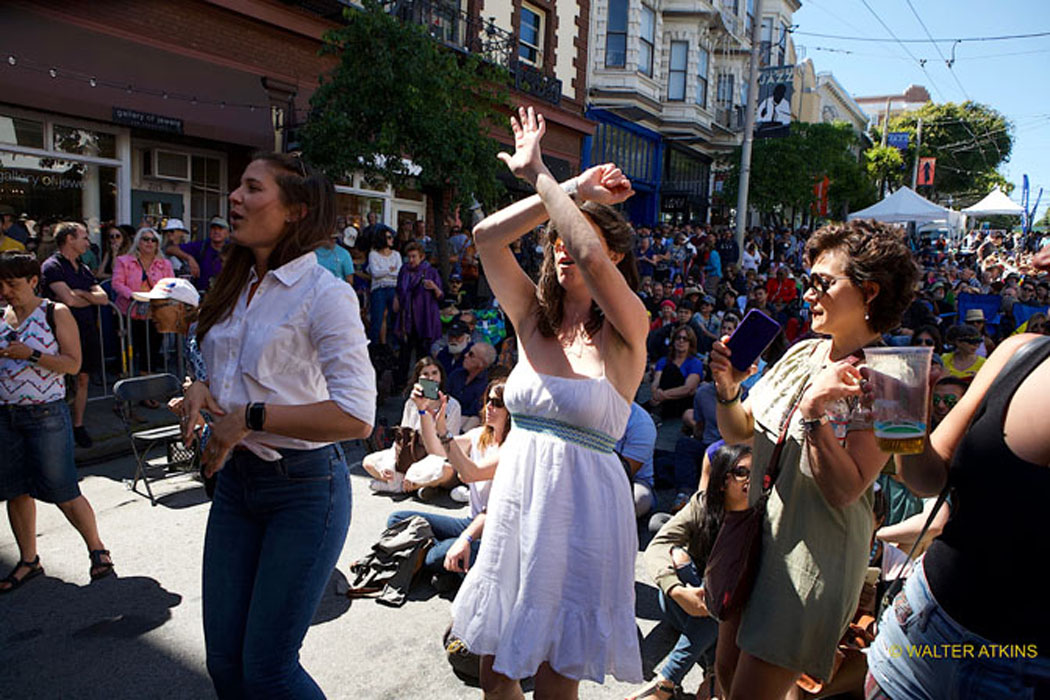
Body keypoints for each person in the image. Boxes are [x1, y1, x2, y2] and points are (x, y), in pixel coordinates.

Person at [450, 106, 648, 696]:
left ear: (614, 257)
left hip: (583, 516)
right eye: (555, 239)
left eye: (576, 239)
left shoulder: (628, 330)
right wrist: (570, 186)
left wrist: (538, 170)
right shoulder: (531, 321)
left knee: (554, 680)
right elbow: (486, 237)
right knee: (495, 675)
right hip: (518, 507)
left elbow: (590, 253)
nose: (565, 249)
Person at [175, 152, 375, 698]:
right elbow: (209, 357)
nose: (234, 197)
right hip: (236, 487)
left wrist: (248, 418)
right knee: (224, 666)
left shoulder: (325, 294)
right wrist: (198, 389)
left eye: (251, 187)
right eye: (237, 186)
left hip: (305, 490)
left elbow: (357, 416)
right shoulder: (235, 284)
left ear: (295, 211)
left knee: (267, 671)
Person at [710, 219, 917, 698]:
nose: (808, 294)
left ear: (869, 291)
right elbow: (740, 430)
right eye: (809, 281)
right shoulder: (804, 352)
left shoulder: (897, 380)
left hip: (811, 562)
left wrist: (813, 411)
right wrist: (726, 392)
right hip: (755, 545)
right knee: (724, 674)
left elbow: (846, 489)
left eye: (822, 283)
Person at [866, 328, 1050, 698]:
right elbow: (925, 479)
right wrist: (906, 414)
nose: (1038, 264)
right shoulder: (1020, 352)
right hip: (919, 641)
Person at [0, 252, 114, 593]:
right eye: (1, 284)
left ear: (34, 281)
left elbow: (73, 364)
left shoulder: (55, 312)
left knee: (63, 489)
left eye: (13, 283)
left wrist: (32, 355)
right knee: (16, 492)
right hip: (6, 415)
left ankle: (97, 550)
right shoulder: (1, 316)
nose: (6, 291)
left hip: (45, 414)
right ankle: (29, 560)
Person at [626, 444, 754, 700]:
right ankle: (710, 673)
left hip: (731, 612)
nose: (750, 479)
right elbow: (658, 546)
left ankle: (667, 682)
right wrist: (676, 588)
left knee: (718, 602)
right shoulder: (703, 506)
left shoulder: (763, 516)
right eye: (742, 472)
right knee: (679, 558)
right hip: (685, 604)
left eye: (754, 471)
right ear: (721, 482)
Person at [386, 377, 509, 589]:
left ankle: (437, 562)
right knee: (396, 519)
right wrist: (424, 412)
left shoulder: (513, 447)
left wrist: (464, 540)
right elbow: (436, 449)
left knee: (438, 554)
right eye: (487, 400)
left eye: (497, 403)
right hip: (470, 522)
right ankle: (446, 569)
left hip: (493, 532)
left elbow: (471, 474)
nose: (489, 407)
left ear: (511, 411)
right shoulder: (479, 435)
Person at [40, 222, 110, 447]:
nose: (87, 242)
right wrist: (84, 296)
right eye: (83, 237)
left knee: (83, 377)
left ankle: (78, 425)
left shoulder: (84, 267)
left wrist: (81, 293)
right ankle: (54, 426)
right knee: (58, 377)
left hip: (86, 329)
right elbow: (68, 300)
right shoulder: (52, 266)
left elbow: (103, 298)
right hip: (60, 332)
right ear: (69, 239)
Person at [363, 356, 462, 493]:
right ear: (418, 379)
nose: (431, 378)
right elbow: (403, 438)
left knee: (444, 470)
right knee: (369, 461)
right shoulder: (411, 403)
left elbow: (450, 446)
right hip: (411, 454)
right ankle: (415, 485)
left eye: (434, 373)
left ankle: (398, 485)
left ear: (441, 377)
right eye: (425, 374)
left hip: (436, 457)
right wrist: (388, 465)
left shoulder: (452, 405)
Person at [112, 227, 174, 376]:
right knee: (127, 352)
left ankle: (148, 391)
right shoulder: (124, 261)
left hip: (154, 314)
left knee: (151, 352)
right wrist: (133, 295)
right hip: (129, 313)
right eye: (145, 239)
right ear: (138, 242)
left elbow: (171, 284)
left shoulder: (165, 264)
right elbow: (117, 283)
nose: (149, 243)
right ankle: (128, 387)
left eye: (153, 240)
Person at [394, 241, 443, 387]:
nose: (411, 260)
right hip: (407, 318)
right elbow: (399, 290)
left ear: (421, 257)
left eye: (414, 256)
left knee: (424, 355)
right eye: (409, 257)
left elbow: (441, 295)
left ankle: (427, 387)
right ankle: (400, 386)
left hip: (424, 318)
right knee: (404, 354)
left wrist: (433, 287)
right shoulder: (404, 270)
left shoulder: (430, 271)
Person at [648, 325, 703, 420]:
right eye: (678, 338)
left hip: (683, 401)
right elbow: (656, 382)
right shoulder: (663, 360)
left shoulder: (695, 363)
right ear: (673, 341)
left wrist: (663, 395)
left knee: (672, 369)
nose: (681, 341)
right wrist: (656, 393)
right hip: (663, 398)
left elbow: (689, 389)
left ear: (690, 343)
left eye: (685, 339)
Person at [165, 216, 230, 292]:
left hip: (225, 293)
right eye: (214, 228)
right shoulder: (202, 246)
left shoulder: (233, 249)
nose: (216, 231)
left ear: (227, 233)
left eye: (220, 229)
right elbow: (170, 249)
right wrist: (189, 258)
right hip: (202, 294)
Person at [616, 401, 658, 518]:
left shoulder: (641, 423)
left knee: (640, 499)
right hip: (585, 472)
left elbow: (624, 473)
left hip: (632, 479)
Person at [446, 341, 495, 431]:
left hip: (465, 422)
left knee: (474, 420)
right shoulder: (456, 374)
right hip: (448, 415)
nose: (465, 355)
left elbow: (475, 412)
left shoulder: (485, 385)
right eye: (468, 351)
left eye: (471, 355)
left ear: (481, 364)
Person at [367, 227, 401, 345]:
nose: (392, 240)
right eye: (389, 237)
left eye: (392, 237)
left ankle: (391, 346)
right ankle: (375, 348)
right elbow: (375, 273)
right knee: (377, 319)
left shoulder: (396, 255)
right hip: (378, 289)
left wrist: (383, 271)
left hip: (393, 288)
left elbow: (399, 273)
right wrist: (390, 270)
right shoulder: (373, 254)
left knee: (393, 319)